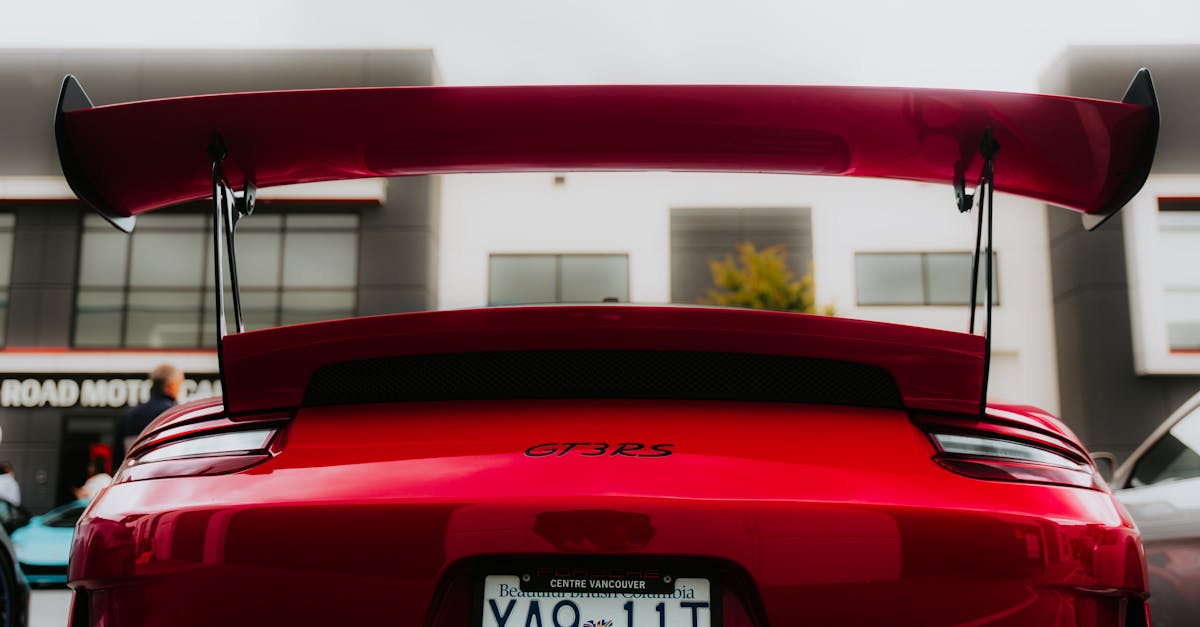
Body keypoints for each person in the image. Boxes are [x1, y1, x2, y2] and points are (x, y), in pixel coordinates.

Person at [123, 363, 184, 452]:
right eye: (179, 385)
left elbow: (119, 457)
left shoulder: (129, 415)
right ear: (171, 386)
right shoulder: (175, 414)